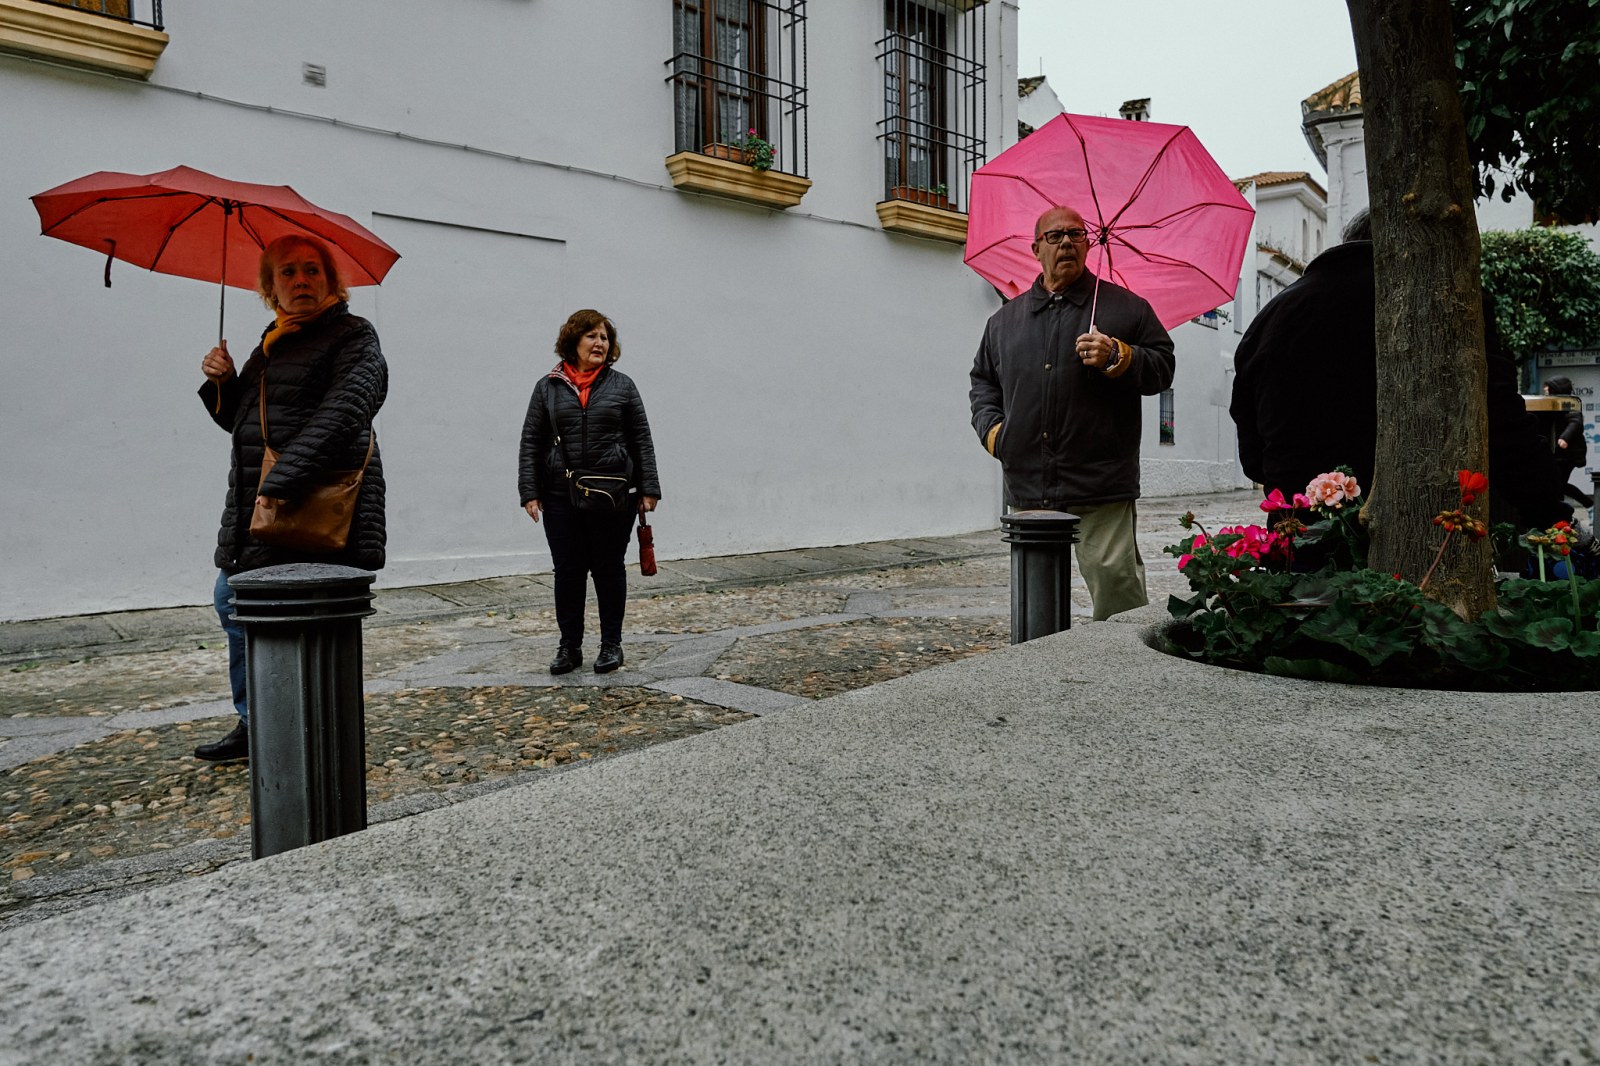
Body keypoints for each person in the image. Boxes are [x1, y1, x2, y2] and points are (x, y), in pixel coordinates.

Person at [1231, 209, 1570, 540]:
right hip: (1420, 535)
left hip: (1301, 536)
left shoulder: (1270, 318)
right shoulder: (1445, 299)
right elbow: (1497, 417)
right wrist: (1550, 514)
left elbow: (1252, 458)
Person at [193, 234, 389, 762]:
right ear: (269, 286)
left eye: (311, 270)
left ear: (330, 280)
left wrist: (280, 484)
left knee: (307, 618)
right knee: (231, 601)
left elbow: (346, 411)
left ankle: (306, 731)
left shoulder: (353, 336)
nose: (300, 281)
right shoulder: (272, 340)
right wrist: (224, 382)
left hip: (317, 505)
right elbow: (245, 424)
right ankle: (257, 722)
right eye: (287, 273)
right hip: (260, 507)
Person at [969, 205, 1176, 620]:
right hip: (1028, 481)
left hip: (1100, 483)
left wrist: (1118, 355)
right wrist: (995, 434)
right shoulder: (1003, 321)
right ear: (1036, 249)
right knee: (1034, 601)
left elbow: (1163, 367)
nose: (1066, 242)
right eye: (1055, 236)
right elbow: (983, 382)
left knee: (1117, 593)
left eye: (1076, 234)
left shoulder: (1124, 309)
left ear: (1089, 244)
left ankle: (1124, 676)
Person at [519, 310, 660, 674]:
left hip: (613, 495)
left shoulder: (623, 386)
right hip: (559, 494)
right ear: (573, 341)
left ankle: (611, 644)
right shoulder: (547, 387)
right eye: (591, 336)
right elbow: (532, 440)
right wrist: (529, 491)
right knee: (568, 571)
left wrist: (649, 487)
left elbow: (641, 439)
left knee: (608, 569)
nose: (599, 343)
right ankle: (569, 647)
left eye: (604, 338)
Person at [1543, 377, 1593, 508]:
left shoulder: (1568, 403)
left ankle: (1588, 504)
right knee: (1556, 484)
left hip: (1568, 454)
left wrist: (1564, 438)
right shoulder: (1553, 403)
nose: (1545, 389)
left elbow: (1575, 422)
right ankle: (1585, 505)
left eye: (1548, 387)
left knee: (1557, 484)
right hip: (1560, 454)